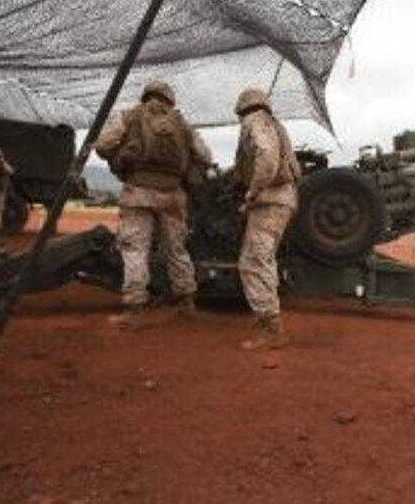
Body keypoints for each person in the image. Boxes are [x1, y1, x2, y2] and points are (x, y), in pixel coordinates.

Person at [94, 79, 212, 328]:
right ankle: (186, 301)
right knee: (177, 249)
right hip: (172, 193)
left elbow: (103, 144)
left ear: (146, 95)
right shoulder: (182, 123)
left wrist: (119, 157)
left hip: (138, 190)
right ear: (170, 99)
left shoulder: (130, 116)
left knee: (135, 249)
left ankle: (135, 309)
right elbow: (206, 155)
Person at [233, 87, 301, 350]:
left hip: (270, 199)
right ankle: (268, 322)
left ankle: (271, 328)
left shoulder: (255, 122)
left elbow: (268, 159)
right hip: (280, 199)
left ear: (242, 109)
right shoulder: (272, 122)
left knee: (253, 262)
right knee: (262, 260)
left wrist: (253, 191)